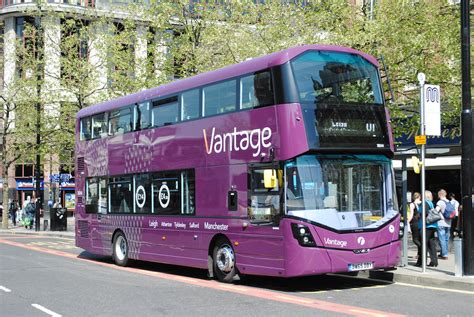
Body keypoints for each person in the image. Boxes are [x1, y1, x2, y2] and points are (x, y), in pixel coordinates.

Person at [416, 190, 439, 267]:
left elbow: (424, 213)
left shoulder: (424, 203)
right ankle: (434, 262)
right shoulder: (431, 203)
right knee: (431, 244)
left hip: (426, 226)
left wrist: (417, 216)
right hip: (433, 226)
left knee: (423, 244)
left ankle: (422, 262)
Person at [436, 189, 451, 259]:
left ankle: (444, 255)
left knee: (441, 239)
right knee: (446, 239)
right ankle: (444, 253)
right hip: (448, 223)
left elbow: (436, 211)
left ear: (439, 195)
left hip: (441, 223)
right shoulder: (449, 201)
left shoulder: (440, 202)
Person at [408, 192, 422, 265]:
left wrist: (407, 222)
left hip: (415, 223)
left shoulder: (412, 204)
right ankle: (420, 252)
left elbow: (411, 215)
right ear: (419, 197)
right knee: (420, 239)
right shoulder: (422, 203)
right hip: (421, 223)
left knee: (415, 239)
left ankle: (422, 248)